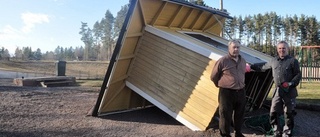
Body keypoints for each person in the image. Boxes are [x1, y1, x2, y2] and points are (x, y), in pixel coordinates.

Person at [250, 41, 301, 137]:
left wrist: (290, 83)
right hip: (277, 91)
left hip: (289, 91)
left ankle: (287, 132)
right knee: (273, 111)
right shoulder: (273, 61)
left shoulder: (293, 61)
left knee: (288, 112)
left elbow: (298, 75)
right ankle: (276, 131)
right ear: (277, 49)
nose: (282, 50)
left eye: (284, 48)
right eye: (280, 48)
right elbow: (263, 67)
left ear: (287, 49)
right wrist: (251, 66)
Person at [211, 39, 248, 137]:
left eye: (238, 47)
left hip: (241, 91)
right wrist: (220, 85)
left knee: (239, 114)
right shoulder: (223, 61)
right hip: (226, 93)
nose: (236, 49)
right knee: (225, 115)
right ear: (229, 48)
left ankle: (238, 133)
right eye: (234, 47)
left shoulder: (243, 61)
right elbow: (213, 76)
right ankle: (225, 135)